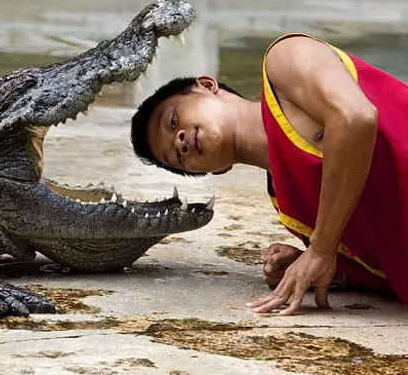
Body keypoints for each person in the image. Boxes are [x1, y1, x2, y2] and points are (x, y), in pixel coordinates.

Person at [130, 32, 408, 315]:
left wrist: (321, 249)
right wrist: (314, 267)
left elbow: (356, 118)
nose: (179, 142)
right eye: (176, 158)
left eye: (172, 120)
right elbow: (386, 265)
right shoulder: (289, 207)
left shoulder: (284, 59)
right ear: (218, 171)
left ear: (206, 85)